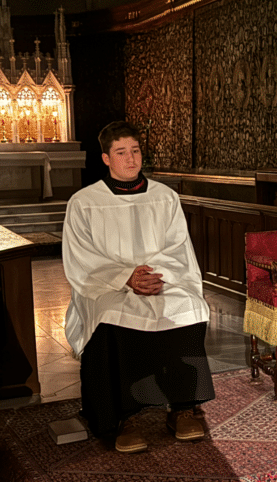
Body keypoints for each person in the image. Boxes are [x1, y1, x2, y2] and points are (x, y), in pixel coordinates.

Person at [62, 121, 214, 453]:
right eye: (121, 152)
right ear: (105, 158)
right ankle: (123, 417)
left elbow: (178, 249)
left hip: (162, 280)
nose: (131, 159)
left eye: (135, 151)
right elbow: (81, 259)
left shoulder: (165, 197)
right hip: (107, 285)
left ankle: (183, 408)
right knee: (114, 312)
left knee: (187, 306)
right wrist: (126, 278)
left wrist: (152, 277)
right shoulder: (84, 202)